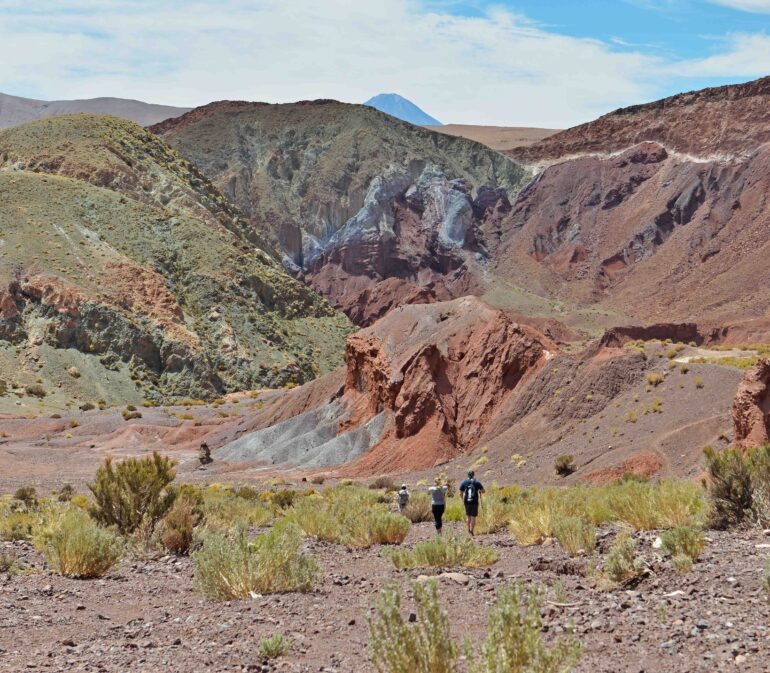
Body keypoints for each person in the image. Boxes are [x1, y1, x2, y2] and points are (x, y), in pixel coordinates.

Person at [459, 470, 484, 536]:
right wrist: (479, 491)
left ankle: (468, 530)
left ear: (467, 475)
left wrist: (462, 499)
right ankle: (471, 531)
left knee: (468, 516)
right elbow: (483, 491)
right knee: (473, 517)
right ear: (473, 475)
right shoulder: (477, 482)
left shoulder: (464, 482)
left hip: (466, 501)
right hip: (474, 501)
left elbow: (460, 493)